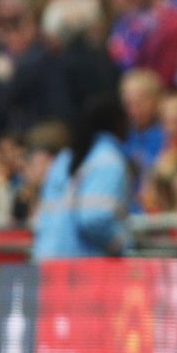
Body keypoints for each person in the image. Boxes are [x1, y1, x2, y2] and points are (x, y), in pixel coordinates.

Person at [31, 94, 133, 261]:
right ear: (117, 123)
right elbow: (94, 218)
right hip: (81, 264)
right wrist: (120, 244)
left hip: (46, 258)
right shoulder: (109, 161)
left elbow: (42, 216)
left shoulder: (64, 158)